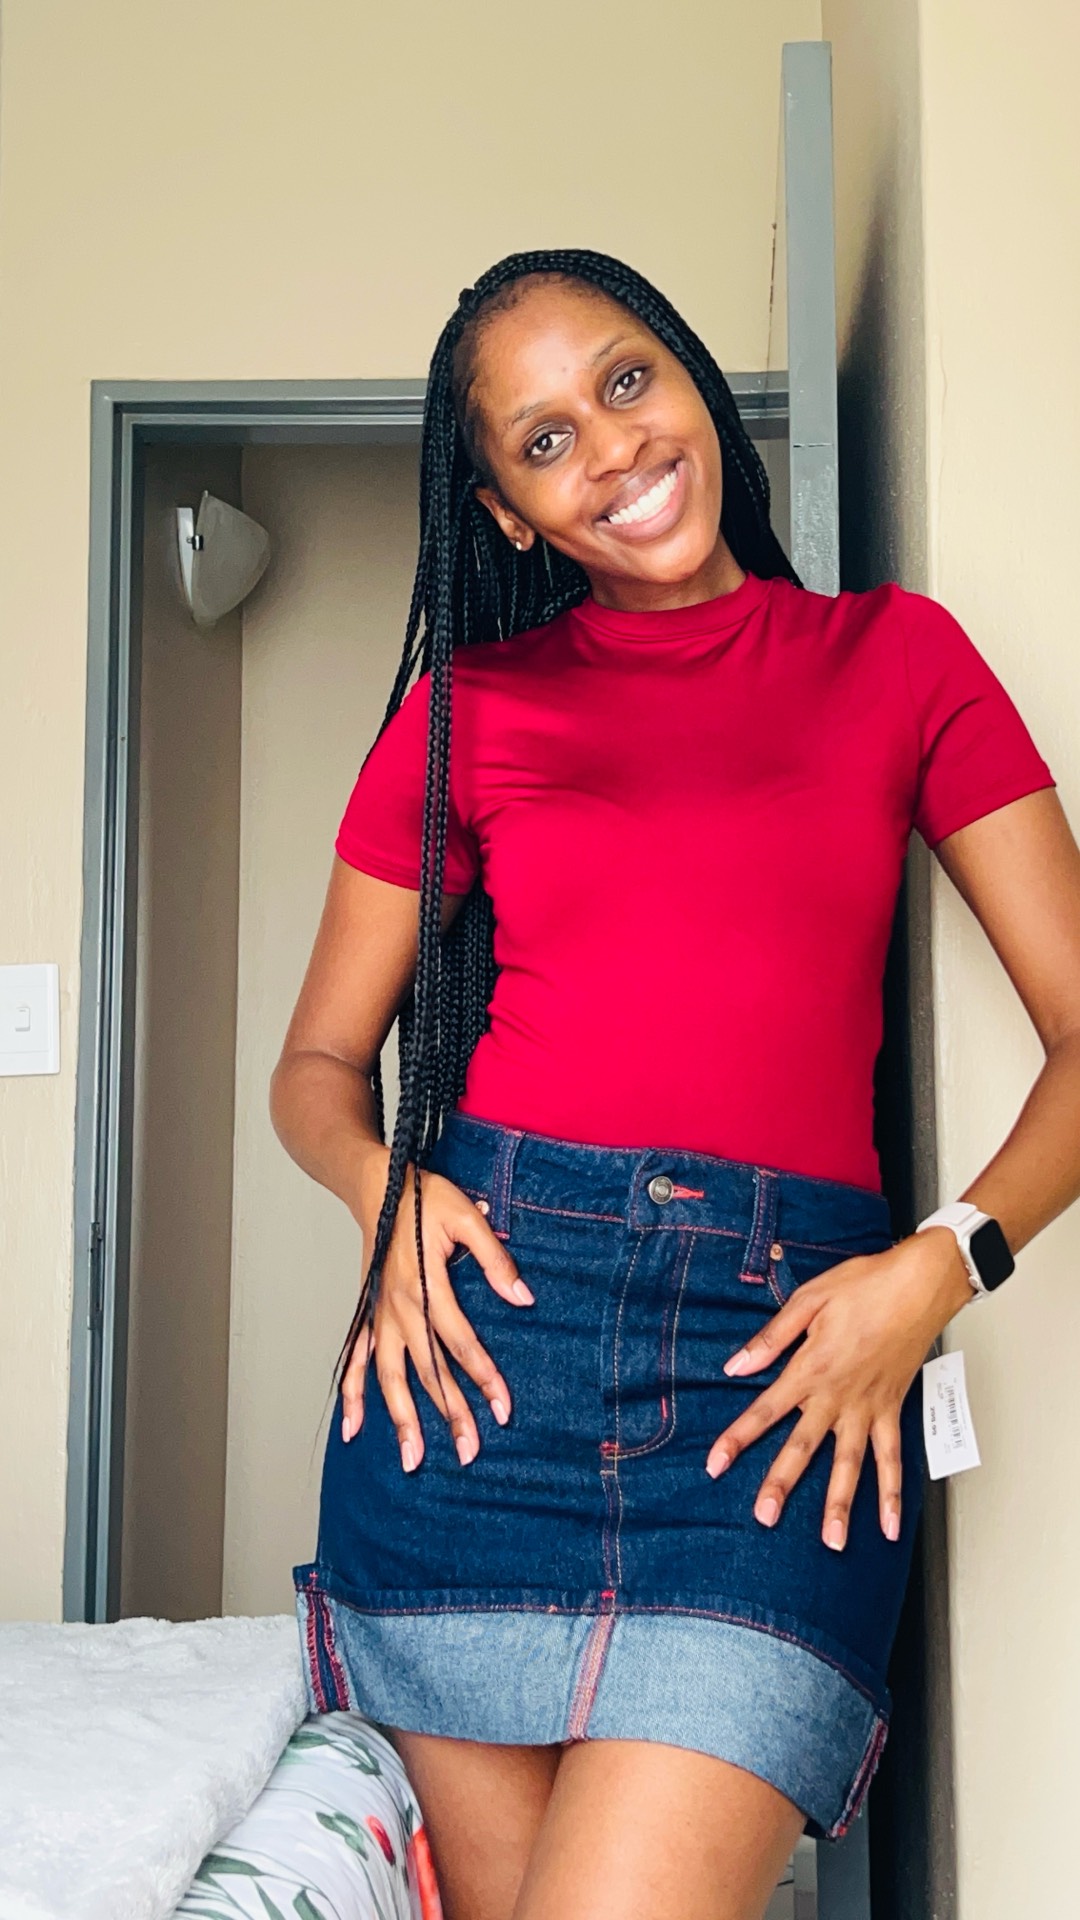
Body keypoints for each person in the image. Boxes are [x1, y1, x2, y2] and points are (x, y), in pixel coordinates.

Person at [271, 248, 1080, 1920]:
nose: (615, 448)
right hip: (481, 1377)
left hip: (784, 1379)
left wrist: (939, 1269)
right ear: (507, 515)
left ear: (692, 378)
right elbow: (317, 1066)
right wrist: (381, 1189)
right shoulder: (467, 713)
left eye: (626, 381)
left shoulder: (898, 660)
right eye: (545, 440)